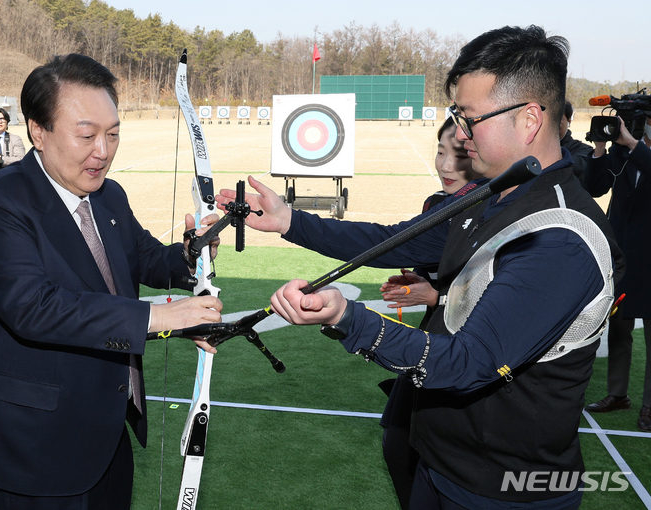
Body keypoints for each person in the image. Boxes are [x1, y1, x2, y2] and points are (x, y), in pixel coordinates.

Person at [218, 25, 624, 509]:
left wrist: (348, 318)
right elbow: (392, 240)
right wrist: (291, 222)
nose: (460, 133)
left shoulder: (561, 238)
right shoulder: (495, 193)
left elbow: (468, 364)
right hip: (439, 463)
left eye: (470, 117)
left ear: (530, 120)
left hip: (501, 493)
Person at [0, 54, 223, 509]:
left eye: (113, 133)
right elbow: (33, 307)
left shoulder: (108, 194)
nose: (103, 150)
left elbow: (143, 259)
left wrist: (193, 252)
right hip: (36, 447)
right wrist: (159, 316)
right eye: (86, 134)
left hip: (106, 430)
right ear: (38, 131)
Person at [377, 116, 481, 509]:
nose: (446, 165)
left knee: (434, 460)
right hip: (433, 340)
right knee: (398, 442)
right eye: (440, 152)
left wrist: (436, 296)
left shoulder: (493, 209)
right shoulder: (437, 205)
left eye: (459, 155)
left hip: (466, 354)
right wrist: (417, 279)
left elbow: (496, 290)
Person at [582, 115, 651, 431]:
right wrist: (600, 146)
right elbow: (595, 187)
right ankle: (617, 394)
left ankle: (649, 406)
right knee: (620, 329)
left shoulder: (636, 150)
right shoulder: (624, 151)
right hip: (623, 256)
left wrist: (633, 145)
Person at [559, 100, 593, 180]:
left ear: (569, 121)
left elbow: (581, 168)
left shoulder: (584, 151)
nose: (552, 123)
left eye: (558, 118)